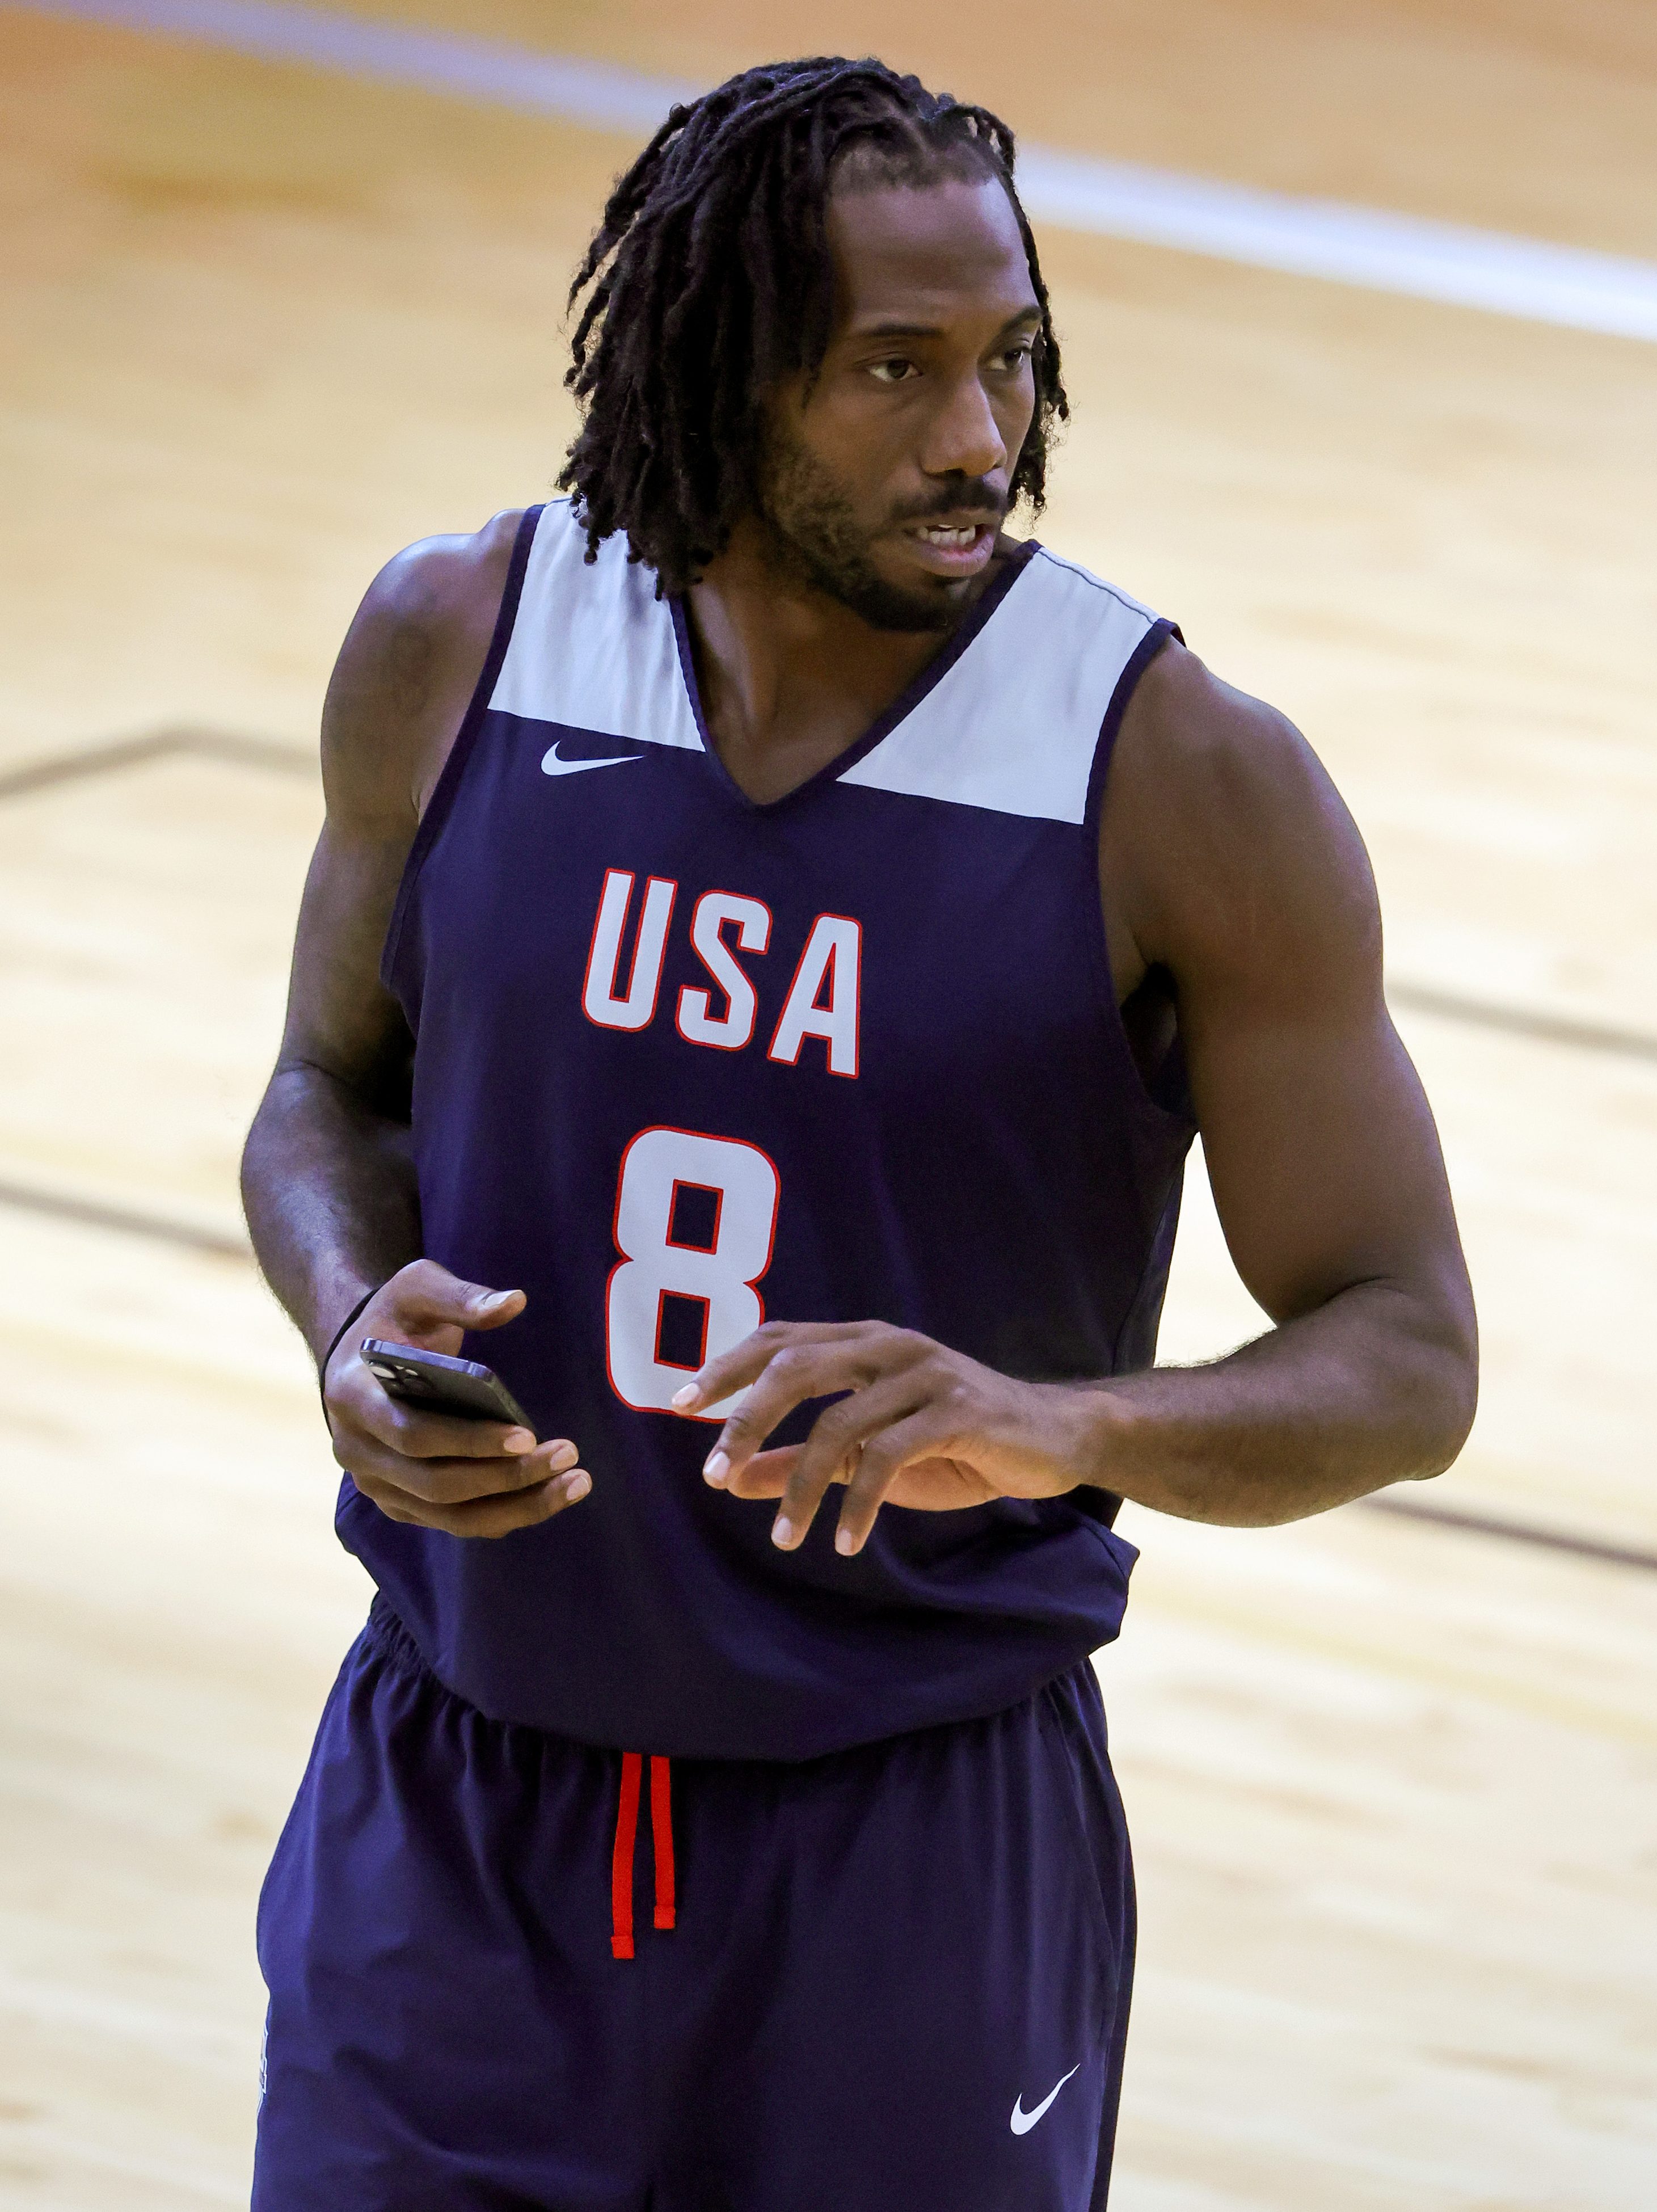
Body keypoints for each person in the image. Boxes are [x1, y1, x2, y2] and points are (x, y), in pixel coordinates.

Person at [241, 55, 1477, 2211]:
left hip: (903, 1858)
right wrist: (349, 1318)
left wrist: (1061, 1417)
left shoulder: (1176, 776)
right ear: (717, 372)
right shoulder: (458, 644)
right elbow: (318, 1100)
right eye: (890, 370)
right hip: (452, 1819)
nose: (978, 440)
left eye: (1008, 359)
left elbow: (1406, 1352)